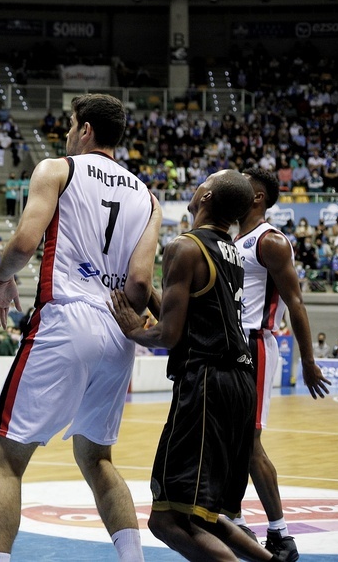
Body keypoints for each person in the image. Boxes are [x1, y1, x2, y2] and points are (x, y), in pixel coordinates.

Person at [0, 94, 162, 562]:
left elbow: (24, 242)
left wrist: (2, 280)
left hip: (66, 317)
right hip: (119, 329)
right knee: (97, 458)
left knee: (6, 458)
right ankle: (133, 559)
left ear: (83, 130)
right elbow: (142, 283)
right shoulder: (148, 197)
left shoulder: (58, 169)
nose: (65, 135)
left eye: (69, 127)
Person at [110, 170, 287, 562]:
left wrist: (134, 330)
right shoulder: (230, 251)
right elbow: (193, 316)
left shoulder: (184, 247)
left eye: (202, 183)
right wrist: (150, 292)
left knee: (165, 520)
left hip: (207, 382)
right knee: (205, 516)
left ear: (205, 196)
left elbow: (170, 335)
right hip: (240, 382)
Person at [232, 167, 330, 559]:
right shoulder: (233, 238)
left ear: (257, 197)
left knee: (250, 442)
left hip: (256, 344)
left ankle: (281, 534)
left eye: (244, 186)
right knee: (233, 441)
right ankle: (235, 520)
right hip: (231, 344)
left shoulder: (269, 241)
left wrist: (307, 360)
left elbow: (296, 303)